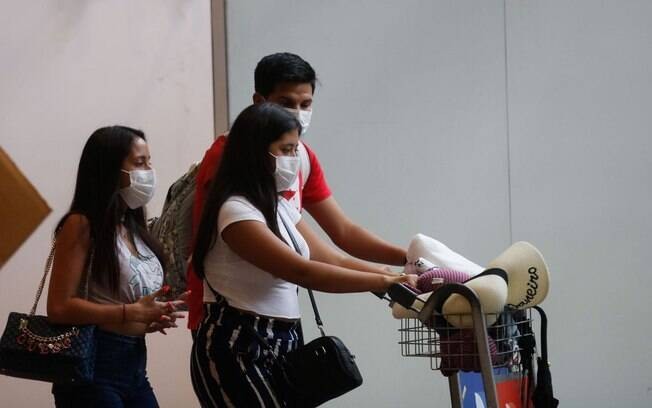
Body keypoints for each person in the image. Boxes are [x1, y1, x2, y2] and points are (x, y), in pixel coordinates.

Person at [189, 103, 416, 407]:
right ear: (254, 152)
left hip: (281, 342)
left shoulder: (278, 205)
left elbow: (333, 259)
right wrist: (382, 282)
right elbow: (302, 271)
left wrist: (395, 272)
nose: (294, 160)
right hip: (238, 343)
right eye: (286, 149)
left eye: (296, 150)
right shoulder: (236, 212)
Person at [186, 52, 407, 332]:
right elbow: (301, 269)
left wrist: (405, 262)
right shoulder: (231, 168)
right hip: (232, 314)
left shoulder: (299, 162)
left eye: (306, 104)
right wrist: (381, 280)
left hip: (278, 316)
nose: (298, 114)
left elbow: (342, 234)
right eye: (286, 103)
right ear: (260, 102)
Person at [46, 126, 187, 407]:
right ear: (109, 169)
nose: (149, 171)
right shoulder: (81, 224)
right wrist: (129, 312)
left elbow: (118, 300)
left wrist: (151, 315)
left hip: (133, 363)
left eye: (149, 161)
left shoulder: (131, 226)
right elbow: (59, 308)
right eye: (139, 163)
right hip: (93, 367)